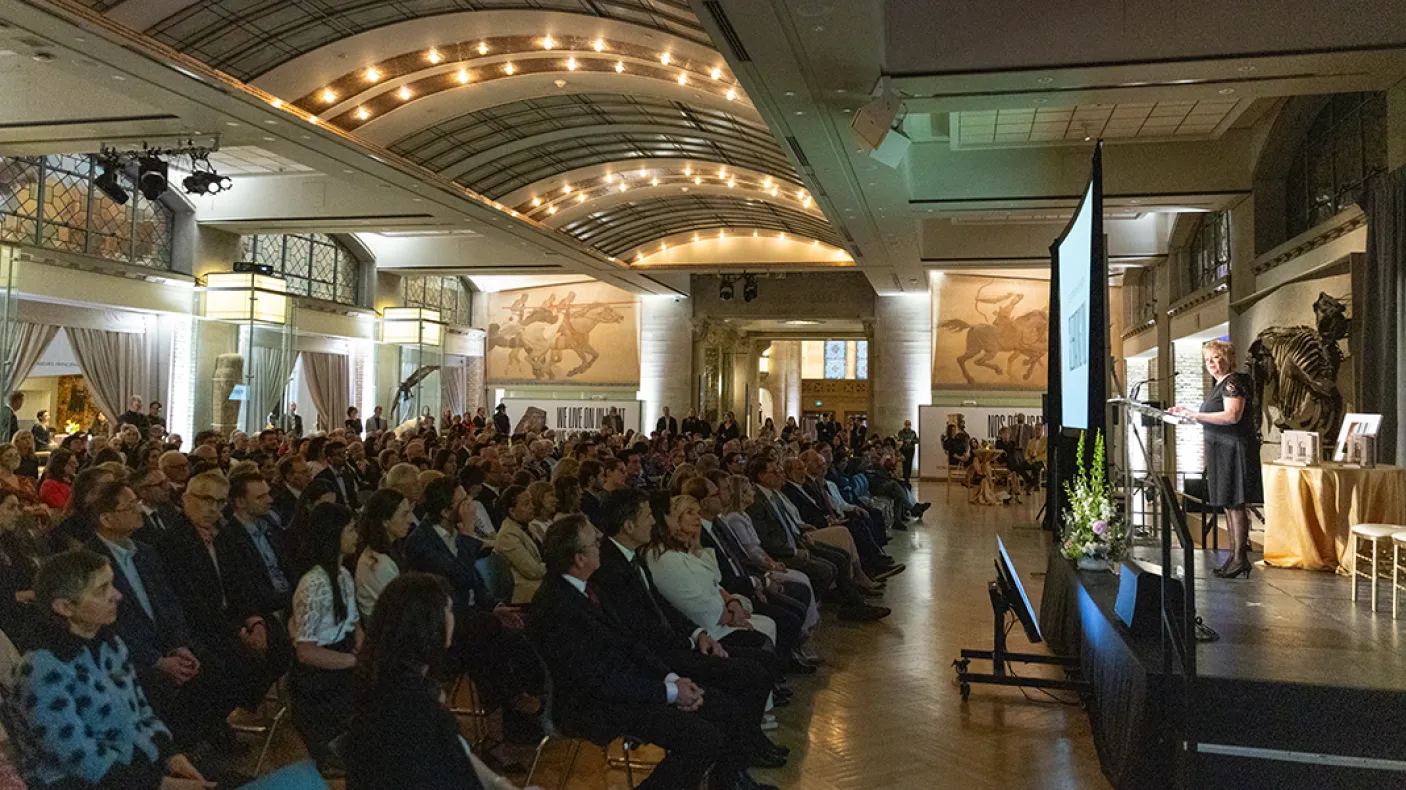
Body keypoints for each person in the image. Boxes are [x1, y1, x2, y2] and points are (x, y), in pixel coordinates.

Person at [528, 515, 771, 790]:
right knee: (702, 739)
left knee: (724, 707)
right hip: (591, 705)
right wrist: (668, 693)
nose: (600, 544)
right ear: (579, 559)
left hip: (624, 687)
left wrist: (671, 679)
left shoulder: (588, 587)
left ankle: (727, 784)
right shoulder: (555, 608)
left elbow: (629, 644)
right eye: (594, 542)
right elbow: (596, 680)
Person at [4, 549, 207, 790]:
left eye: (112, 585)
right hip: (76, 783)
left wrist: (170, 755)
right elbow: (75, 756)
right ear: (65, 607)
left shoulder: (109, 644)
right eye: (101, 591)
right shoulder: (42, 667)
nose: (117, 595)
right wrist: (158, 784)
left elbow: (140, 711)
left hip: (131, 769)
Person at [345, 572, 530, 790]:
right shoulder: (415, 707)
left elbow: (456, 754)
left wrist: (499, 783)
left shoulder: (383, 685)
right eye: (449, 611)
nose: (453, 618)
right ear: (429, 626)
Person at [1170, 339, 1264, 579]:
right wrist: (1188, 414)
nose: (1210, 363)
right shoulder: (1220, 384)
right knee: (1228, 504)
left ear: (1227, 358)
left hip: (1233, 449)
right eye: (1207, 360)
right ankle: (1233, 557)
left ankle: (1240, 558)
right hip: (1221, 450)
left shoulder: (1233, 382)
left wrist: (1196, 415)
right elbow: (1214, 415)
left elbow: (1232, 416)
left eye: (1215, 358)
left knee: (1236, 503)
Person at [289, 501, 361, 773]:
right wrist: (355, 662)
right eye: (352, 530)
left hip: (341, 659)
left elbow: (354, 625)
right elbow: (306, 652)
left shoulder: (342, 574)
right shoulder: (314, 583)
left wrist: (365, 651)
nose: (357, 536)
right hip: (320, 681)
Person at [354, 489, 413, 620]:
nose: (410, 520)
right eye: (403, 515)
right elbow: (398, 609)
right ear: (385, 521)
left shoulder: (391, 549)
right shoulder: (378, 563)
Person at [493, 484, 545, 604]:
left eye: (531, 502)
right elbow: (533, 571)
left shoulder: (528, 527)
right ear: (511, 511)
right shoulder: (508, 535)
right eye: (526, 504)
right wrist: (558, 565)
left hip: (539, 584)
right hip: (527, 592)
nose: (532, 507)